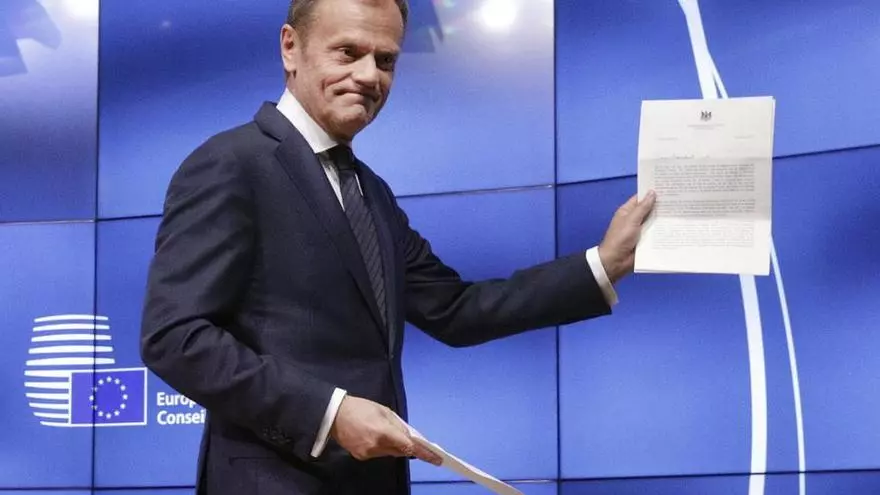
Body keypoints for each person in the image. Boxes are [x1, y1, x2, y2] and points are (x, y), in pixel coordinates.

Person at [139, 0, 656, 493]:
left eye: (385, 60)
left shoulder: (372, 193)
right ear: (290, 47)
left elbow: (456, 309)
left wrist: (603, 264)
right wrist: (330, 414)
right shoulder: (230, 164)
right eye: (348, 52)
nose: (369, 76)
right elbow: (174, 336)